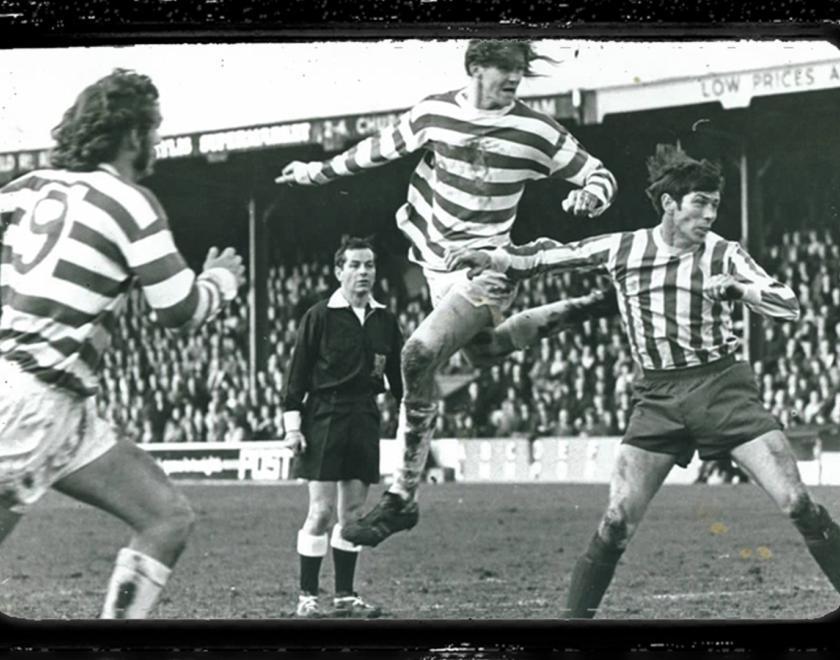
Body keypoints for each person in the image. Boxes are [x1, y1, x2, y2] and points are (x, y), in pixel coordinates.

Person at [447, 144, 840, 617]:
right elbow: (552, 256)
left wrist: (740, 289)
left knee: (797, 503)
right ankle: (570, 629)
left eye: (715, 205)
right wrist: (491, 257)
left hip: (723, 389)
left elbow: (788, 304)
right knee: (616, 522)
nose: (709, 215)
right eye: (700, 203)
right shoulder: (625, 248)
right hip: (657, 399)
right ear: (670, 204)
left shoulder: (724, 254)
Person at [276, 39, 618, 546]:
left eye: (520, 71)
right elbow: (372, 151)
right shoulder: (434, 114)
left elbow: (599, 172)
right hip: (438, 267)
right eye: (505, 69)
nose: (514, 79)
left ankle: (402, 496)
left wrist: (591, 195)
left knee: (417, 354)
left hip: (489, 267)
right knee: (486, 349)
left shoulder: (536, 129)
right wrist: (312, 172)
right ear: (475, 67)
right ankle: (588, 306)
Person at [0, 69, 245, 618]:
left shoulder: (26, 188)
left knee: (166, 518)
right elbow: (178, 310)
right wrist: (221, 282)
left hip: (61, 408)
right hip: (31, 402)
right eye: (153, 129)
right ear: (134, 135)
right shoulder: (130, 201)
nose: (155, 140)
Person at [282, 236, 403, 618]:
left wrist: (411, 415)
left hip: (365, 416)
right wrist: (293, 428)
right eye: (354, 265)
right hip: (324, 415)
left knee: (352, 515)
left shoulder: (385, 320)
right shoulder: (319, 316)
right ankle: (307, 597)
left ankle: (345, 597)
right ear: (339, 271)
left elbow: (399, 379)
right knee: (320, 512)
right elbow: (296, 377)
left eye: (369, 265)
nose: (363, 272)